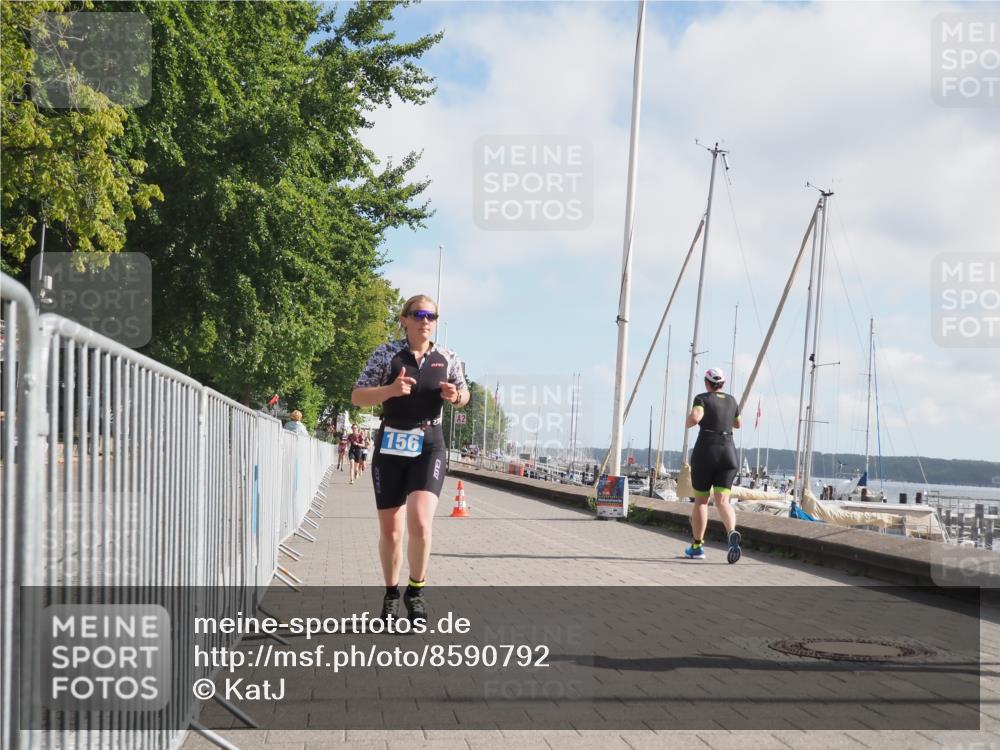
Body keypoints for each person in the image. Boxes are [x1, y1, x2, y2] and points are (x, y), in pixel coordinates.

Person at [351, 294, 469, 624]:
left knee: (420, 522)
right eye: (418, 314)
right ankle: (391, 594)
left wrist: (456, 396)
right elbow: (357, 395)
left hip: (429, 445)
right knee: (391, 532)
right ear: (404, 319)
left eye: (431, 316)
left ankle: (415, 592)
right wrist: (389, 390)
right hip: (390, 444)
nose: (425, 321)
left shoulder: (448, 356)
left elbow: (464, 394)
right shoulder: (387, 353)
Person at [683, 368, 743, 564]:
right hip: (729, 453)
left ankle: (697, 547)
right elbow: (738, 424)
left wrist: (689, 421)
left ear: (706, 383)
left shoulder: (702, 398)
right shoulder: (732, 400)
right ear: (722, 384)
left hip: (706, 451)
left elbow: (696, 417)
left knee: (701, 501)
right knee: (723, 501)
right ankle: (731, 532)